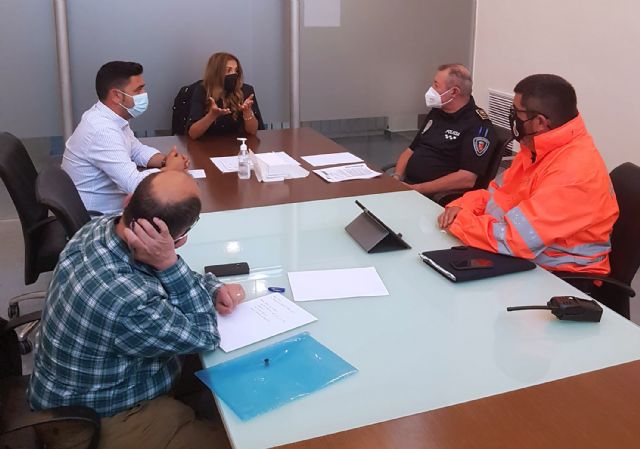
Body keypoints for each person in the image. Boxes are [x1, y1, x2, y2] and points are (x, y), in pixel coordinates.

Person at [28, 170, 244, 449]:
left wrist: (210, 288)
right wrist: (169, 264)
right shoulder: (131, 301)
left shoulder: (100, 227)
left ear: (128, 201)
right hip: (92, 421)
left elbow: (157, 277)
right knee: (235, 442)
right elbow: (205, 336)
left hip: (72, 390)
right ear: (177, 240)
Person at [438, 74, 619, 275]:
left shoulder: (573, 172)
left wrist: (460, 221)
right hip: (523, 258)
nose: (512, 117)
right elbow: (495, 196)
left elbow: (515, 239)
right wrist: (462, 206)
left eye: (516, 112)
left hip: (562, 276)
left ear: (540, 122)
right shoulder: (536, 150)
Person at [62, 61, 189, 214]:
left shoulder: (112, 118)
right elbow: (135, 185)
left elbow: (136, 150)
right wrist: (171, 170)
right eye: (138, 90)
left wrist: (165, 160)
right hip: (98, 217)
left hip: (115, 205)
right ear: (117, 95)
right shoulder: (102, 130)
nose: (144, 94)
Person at [392, 64, 497, 198]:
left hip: (435, 196)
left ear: (454, 92)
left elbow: (467, 178)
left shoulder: (478, 125)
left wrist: (417, 189)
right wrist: (396, 177)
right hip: (409, 186)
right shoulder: (437, 112)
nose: (431, 89)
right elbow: (410, 150)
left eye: (436, 85)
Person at [187, 52, 264, 139]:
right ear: (216, 73)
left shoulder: (246, 90)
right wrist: (211, 116)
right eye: (228, 70)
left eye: (236, 70)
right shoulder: (202, 90)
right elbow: (193, 134)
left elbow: (252, 131)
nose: (234, 74)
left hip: (239, 144)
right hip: (209, 144)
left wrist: (247, 112)